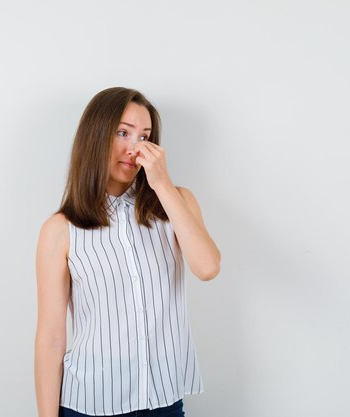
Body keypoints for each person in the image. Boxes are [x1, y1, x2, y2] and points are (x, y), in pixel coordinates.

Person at [34, 87, 221, 417]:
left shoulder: (176, 204)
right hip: (89, 404)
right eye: (122, 132)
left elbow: (207, 268)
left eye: (144, 137)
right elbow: (50, 338)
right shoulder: (60, 229)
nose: (134, 149)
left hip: (163, 402)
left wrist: (162, 184)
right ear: (96, 137)